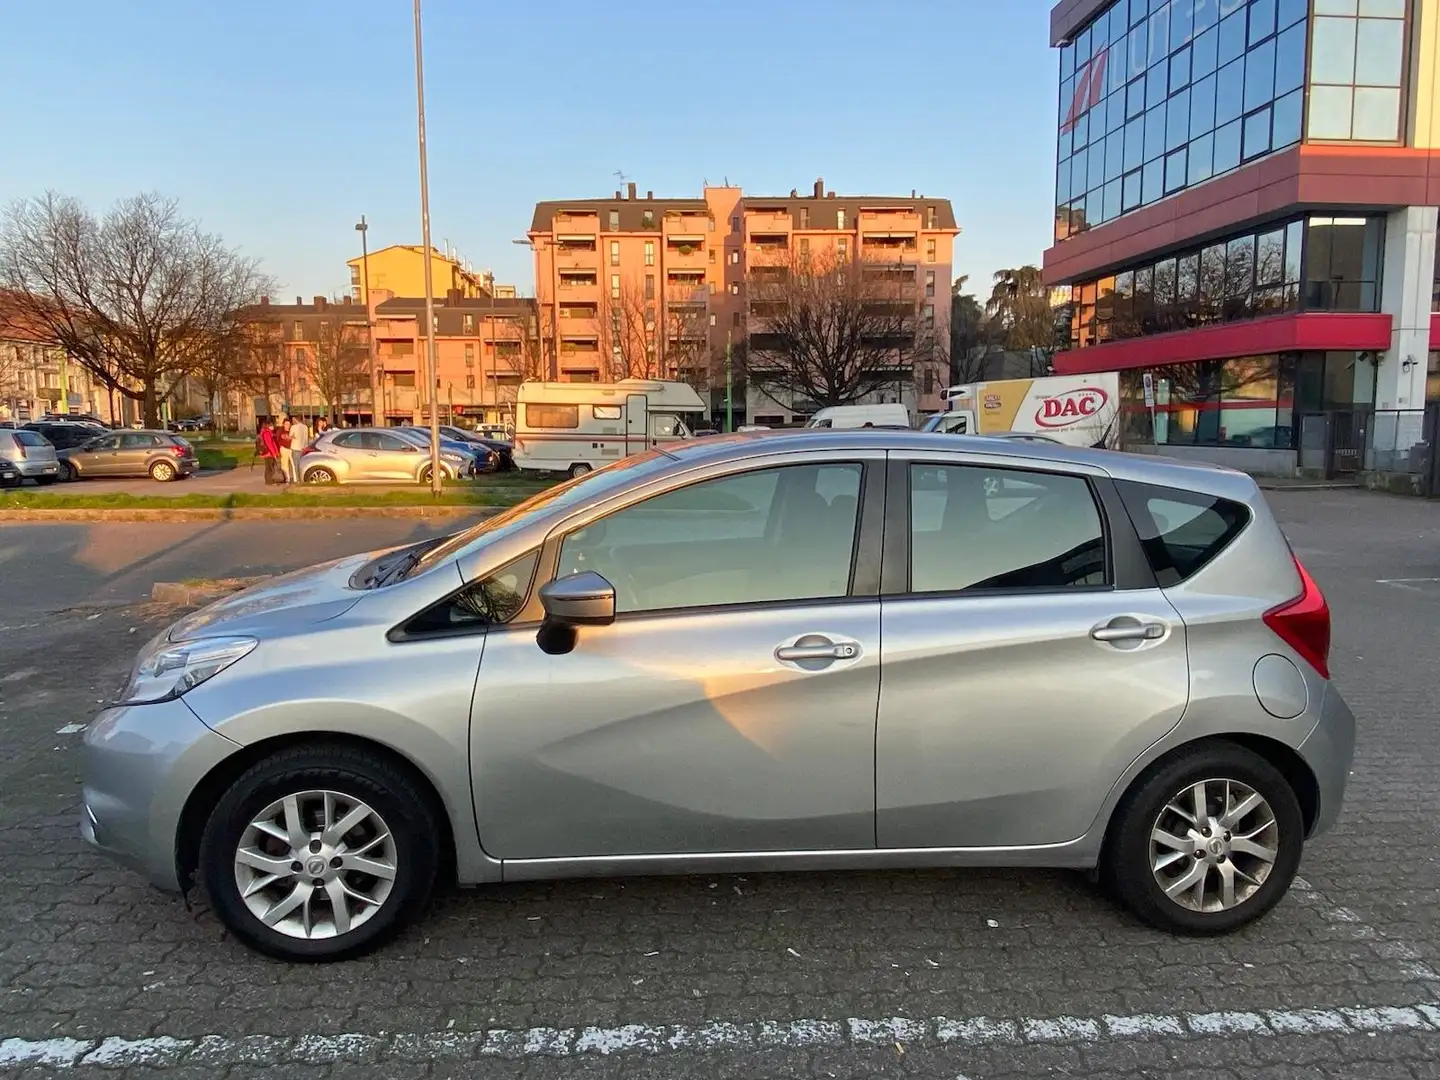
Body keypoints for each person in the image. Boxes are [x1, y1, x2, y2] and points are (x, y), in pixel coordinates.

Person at [257, 419, 284, 485]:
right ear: (268, 426)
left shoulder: (268, 433)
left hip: (269, 453)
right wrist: (274, 454)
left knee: (270, 467)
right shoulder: (267, 433)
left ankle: (271, 480)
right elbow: (269, 444)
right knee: (269, 467)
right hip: (269, 453)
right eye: (271, 425)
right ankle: (269, 481)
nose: (273, 426)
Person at [289, 414, 310, 482]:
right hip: (303, 447)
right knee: (302, 464)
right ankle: (303, 478)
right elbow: (307, 437)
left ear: (296, 419)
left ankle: (298, 479)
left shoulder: (293, 427)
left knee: (296, 464)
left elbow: (290, 436)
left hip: (295, 447)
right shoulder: (305, 427)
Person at [278, 417, 295, 482]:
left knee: (294, 463)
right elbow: (278, 439)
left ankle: (295, 478)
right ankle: (287, 478)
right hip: (284, 449)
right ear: (283, 424)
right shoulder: (281, 431)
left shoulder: (292, 430)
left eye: (288, 424)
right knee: (284, 464)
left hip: (292, 449)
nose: (287, 426)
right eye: (286, 424)